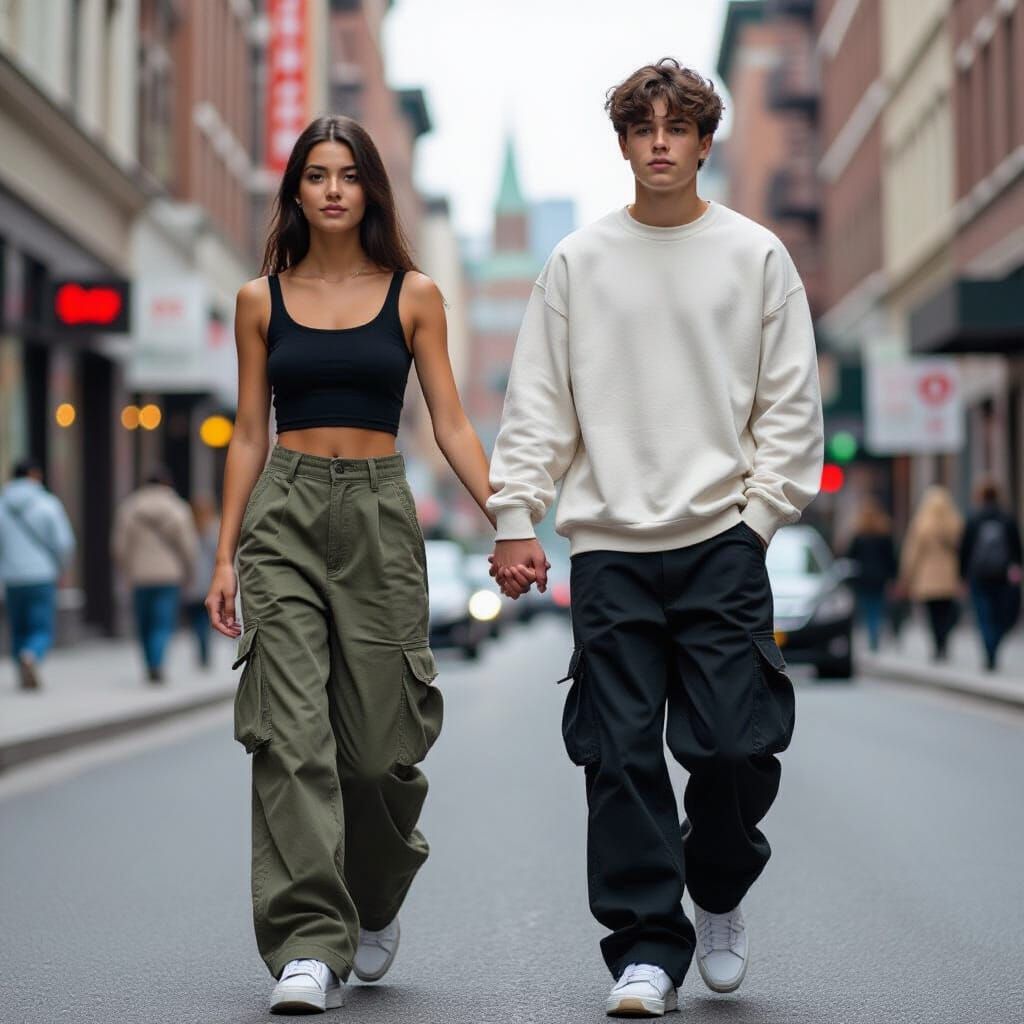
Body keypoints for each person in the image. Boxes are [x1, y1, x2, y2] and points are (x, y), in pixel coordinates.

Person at [488, 60, 823, 1018]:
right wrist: (518, 514)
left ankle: (716, 888)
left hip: (724, 539)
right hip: (608, 552)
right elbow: (539, 404)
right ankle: (645, 950)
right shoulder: (577, 263)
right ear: (626, 144)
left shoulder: (756, 255)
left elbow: (790, 405)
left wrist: (759, 518)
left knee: (729, 747)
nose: (663, 142)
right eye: (646, 129)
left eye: (681, 128)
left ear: (707, 141)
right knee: (621, 754)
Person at [205, 115, 511, 1015]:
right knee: (291, 740)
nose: (333, 189)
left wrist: (511, 518)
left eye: (349, 175)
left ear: (372, 189)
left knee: (380, 754)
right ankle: (308, 944)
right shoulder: (258, 299)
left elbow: (452, 421)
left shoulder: (414, 294)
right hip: (285, 516)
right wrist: (224, 553)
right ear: (295, 191)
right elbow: (246, 433)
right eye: (316, 175)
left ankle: (375, 895)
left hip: (380, 512)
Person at [112, 466, 198, 683]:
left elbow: (119, 546)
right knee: (162, 623)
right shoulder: (178, 508)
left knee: (144, 624)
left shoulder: (129, 508)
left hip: (139, 576)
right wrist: (190, 571)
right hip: (169, 576)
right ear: (167, 484)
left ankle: (150, 663)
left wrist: (126, 569)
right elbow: (188, 546)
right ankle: (158, 663)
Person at [0, 458, 75, 690]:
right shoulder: (48, 504)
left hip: (12, 577)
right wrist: (63, 568)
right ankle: (32, 655)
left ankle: (21, 669)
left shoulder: (2, 505)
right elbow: (64, 543)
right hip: (42, 574)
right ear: (34, 475)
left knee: (18, 627)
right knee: (41, 627)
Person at [959, 478, 1023, 671]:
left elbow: (964, 550)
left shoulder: (973, 519)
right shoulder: (1007, 517)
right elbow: (1017, 547)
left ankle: (989, 651)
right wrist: (1017, 566)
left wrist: (962, 576)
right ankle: (994, 644)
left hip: (979, 576)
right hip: (1002, 574)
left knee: (984, 616)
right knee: (1001, 614)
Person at [898, 485, 964, 662]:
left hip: (926, 578)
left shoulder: (922, 522)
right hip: (949, 576)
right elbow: (962, 549)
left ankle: (937, 645)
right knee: (946, 612)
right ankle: (944, 643)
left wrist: (906, 575)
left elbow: (912, 551)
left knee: (932, 614)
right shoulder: (954, 521)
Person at [846, 495, 898, 652]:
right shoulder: (884, 535)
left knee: (867, 607)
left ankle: (872, 633)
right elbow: (891, 558)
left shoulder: (859, 536)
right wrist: (893, 577)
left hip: (863, 578)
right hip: (880, 578)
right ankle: (874, 634)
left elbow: (850, 556)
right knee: (877, 607)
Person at [183, 496, 219, 669]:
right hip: (209, 582)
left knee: (197, 619)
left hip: (192, 582)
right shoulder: (215, 530)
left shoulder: (187, 529)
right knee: (205, 619)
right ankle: (204, 652)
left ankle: (202, 651)